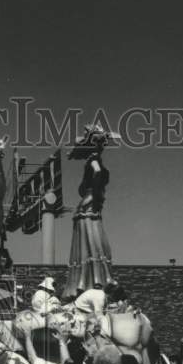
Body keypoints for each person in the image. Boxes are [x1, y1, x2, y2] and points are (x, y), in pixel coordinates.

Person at [66, 124, 114, 292]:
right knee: (93, 241)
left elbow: (98, 172)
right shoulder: (93, 160)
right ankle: (97, 279)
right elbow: (98, 171)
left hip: (90, 205)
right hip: (89, 206)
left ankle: (91, 280)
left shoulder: (94, 160)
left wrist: (96, 191)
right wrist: (96, 190)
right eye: (100, 142)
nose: (102, 146)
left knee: (91, 242)